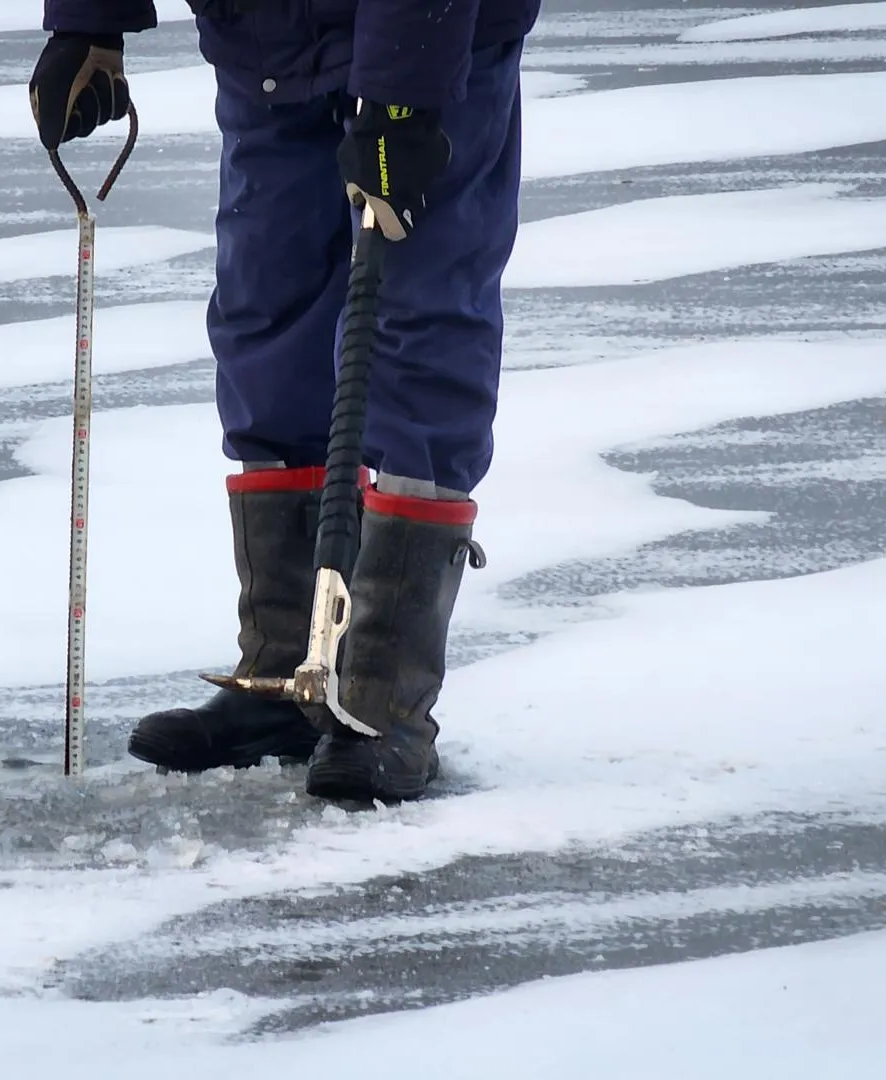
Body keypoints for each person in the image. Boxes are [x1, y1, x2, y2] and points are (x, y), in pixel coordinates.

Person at [29, 0, 541, 803]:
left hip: (432, 44)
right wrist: (89, 21)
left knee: (416, 323)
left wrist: (405, 91)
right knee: (268, 317)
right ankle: (284, 669)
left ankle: (382, 693)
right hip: (265, 36)